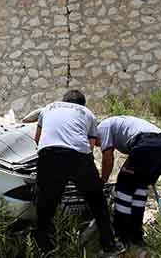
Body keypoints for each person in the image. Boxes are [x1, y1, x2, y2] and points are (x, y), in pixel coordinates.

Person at [34, 90, 124, 257]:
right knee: (98, 202)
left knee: (45, 206)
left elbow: (37, 139)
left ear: (64, 100)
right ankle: (109, 245)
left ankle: (46, 250)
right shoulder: (87, 113)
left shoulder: (48, 108)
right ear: (82, 104)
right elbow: (89, 146)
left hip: (49, 156)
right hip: (79, 158)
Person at [97, 116, 161, 248]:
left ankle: (121, 234)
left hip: (148, 144)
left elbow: (108, 157)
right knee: (139, 187)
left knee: (124, 185)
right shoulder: (121, 124)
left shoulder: (102, 127)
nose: (97, 145)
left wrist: (102, 182)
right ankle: (136, 235)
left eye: (95, 142)